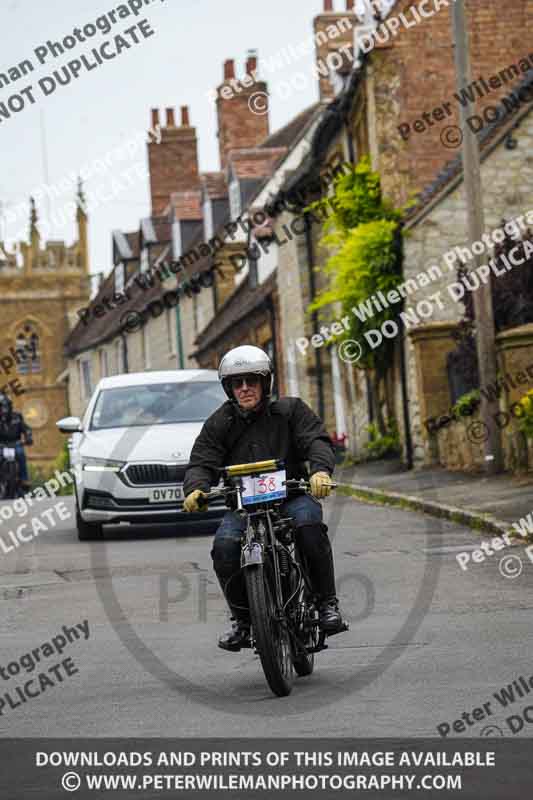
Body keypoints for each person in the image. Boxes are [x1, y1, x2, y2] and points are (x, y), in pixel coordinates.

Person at [183, 345, 344, 652]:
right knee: (224, 549)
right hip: (244, 508)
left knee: (309, 528)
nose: (244, 388)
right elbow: (202, 461)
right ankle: (244, 623)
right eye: (237, 382)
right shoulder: (220, 423)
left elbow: (316, 441)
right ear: (229, 388)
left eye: (251, 381)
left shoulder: (291, 411)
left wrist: (320, 471)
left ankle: (327, 604)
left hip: (291, 498)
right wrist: (195, 489)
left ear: (265, 382)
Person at [0, 394, 33, 489]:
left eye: (6, 406)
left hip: (16, 444)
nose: (4, 409)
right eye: (1, 407)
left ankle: (24, 479)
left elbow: (26, 429)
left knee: (21, 454)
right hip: (1, 445)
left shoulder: (17, 417)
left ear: (10, 406)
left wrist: (28, 437)